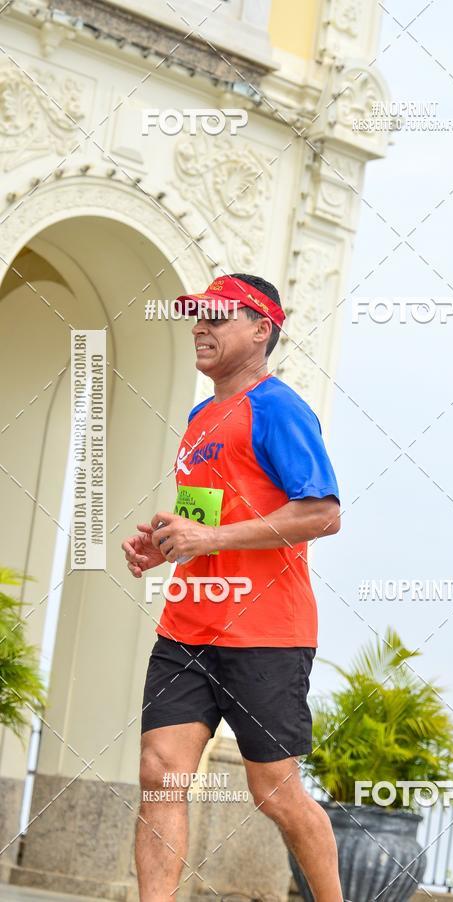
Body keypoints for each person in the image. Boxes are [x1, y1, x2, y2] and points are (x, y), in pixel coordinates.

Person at [122, 273, 343, 902]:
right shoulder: (200, 416)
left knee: (275, 792)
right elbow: (206, 522)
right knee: (160, 774)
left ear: (261, 329)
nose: (201, 326)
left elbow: (323, 514)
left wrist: (208, 541)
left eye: (218, 317)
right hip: (187, 626)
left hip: (266, 633)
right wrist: (165, 544)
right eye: (197, 315)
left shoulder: (279, 408)